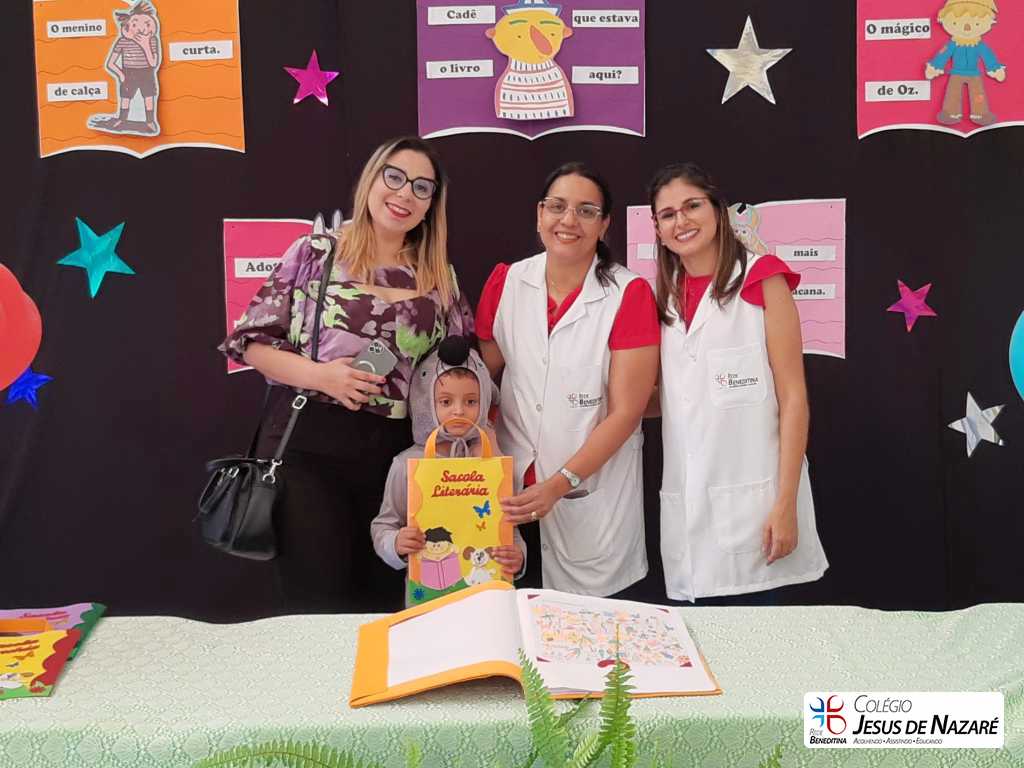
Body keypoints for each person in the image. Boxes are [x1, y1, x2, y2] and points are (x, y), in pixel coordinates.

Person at [220, 137, 474, 613]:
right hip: (314, 445)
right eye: (394, 177)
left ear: (431, 204)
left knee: (388, 599)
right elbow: (250, 343)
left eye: (422, 187)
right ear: (371, 179)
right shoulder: (316, 252)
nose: (405, 194)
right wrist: (322, 376)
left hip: (399, 457)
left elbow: (457, 367)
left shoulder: (440, 276)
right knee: (320, 600)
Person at [476, 162, 660, 598]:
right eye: (557, 207)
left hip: (586, 495)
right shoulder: (506, 282)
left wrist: (559, 485)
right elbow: (483, 383)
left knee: (585, 629)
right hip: (509, 492)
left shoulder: (628, 294)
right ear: (539, 214)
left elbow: (626, 413)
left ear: (605, 224)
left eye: (586, 211)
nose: (569, 220)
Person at [647, 162, 828, 605]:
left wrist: (785, 504)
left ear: (717, 210)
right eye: (667, 214)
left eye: (692, 206)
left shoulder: (762, 278)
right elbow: (673, 398)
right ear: (657, 229)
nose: (681, 221)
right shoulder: (663, 297)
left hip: (758, 512)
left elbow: (793, 398)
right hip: (690, 515)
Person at [371, 336, 526, 605]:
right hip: (428, 602)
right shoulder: (407, 465)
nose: (459, 411)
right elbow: (384, 524)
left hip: (488, 601)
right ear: (424, 402)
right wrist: (396, 543)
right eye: (445, 402)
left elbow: (509, 527)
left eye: (471, 401)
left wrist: (518, 556)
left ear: (485, 401)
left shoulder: (495, 463)